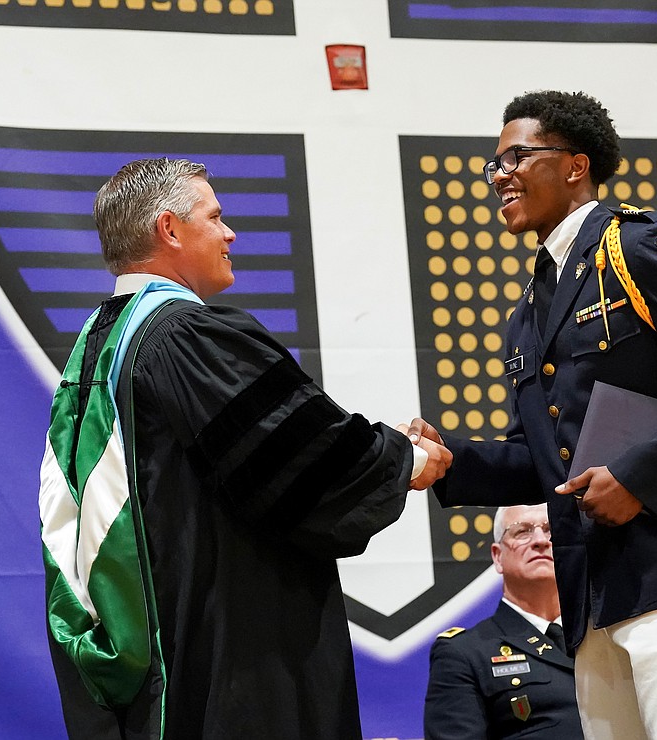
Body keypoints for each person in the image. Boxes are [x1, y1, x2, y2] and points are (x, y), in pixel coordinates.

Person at [408, 89, 657, 739]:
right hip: (591, 590)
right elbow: (542, 457)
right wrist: (449, 461)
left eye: (517, 157)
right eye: (493, 164)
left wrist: (639, 476)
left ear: (575, 166)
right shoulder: (530, 307)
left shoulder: (635, 246)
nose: (500, 176)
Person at [38, 158, 451, 740]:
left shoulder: (98, 344)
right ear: (170, 230)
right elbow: (299, 459)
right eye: (216, 216)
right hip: (233, 652)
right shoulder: (186, 335)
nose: (230, 233)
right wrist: (404, 458)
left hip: (162, 647)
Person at [423, 503, 582, 739]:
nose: (540, 540)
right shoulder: (464, 652)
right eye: (522, 531)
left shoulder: (602, 636)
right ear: (498, 557)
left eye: (552, 531)